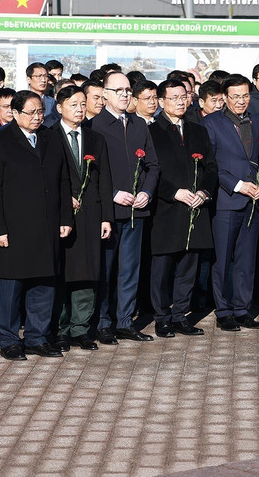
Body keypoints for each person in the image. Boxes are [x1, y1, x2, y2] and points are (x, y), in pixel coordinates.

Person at [0, 91, 72, 360]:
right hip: (14, 226)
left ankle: (37, 337)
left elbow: (64, 180)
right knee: (12, 285)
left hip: (47, 224)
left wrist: (66, 218)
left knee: (44, 283)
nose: (37, 117)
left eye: (40, 112)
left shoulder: (51, 137)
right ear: (16, 113)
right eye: (31, 113)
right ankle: (9, 339)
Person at [91, 71, 159, 344]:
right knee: (106, 270)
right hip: (109, 211)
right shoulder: (94, 126)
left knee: (130, 269)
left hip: (136, 210)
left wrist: (146, 191)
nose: (124, 94)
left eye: (127, 90)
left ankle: (124, 321)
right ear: (104, 94)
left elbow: (153, 165)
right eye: (117, 90)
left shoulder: (139, 125)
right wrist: (114, 194)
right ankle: (103, 322)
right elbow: (91, 172)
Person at [147, 79, 217, 337]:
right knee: (163, 268)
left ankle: (181, 315)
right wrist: (173, 192)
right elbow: (149, 171)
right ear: (162, 101)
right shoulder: (152, 131)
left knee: (189, 267)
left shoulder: (198, 131)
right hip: (167, 210)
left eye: (183, 97)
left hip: (196, 208)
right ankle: (162, 317)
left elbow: (211, 167)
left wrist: (204, 192)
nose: (179, 101)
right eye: (173, 97)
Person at [202, 74, 259, 331]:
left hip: (254, 201)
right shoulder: (210, 123)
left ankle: (242, 309)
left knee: (246, 259)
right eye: (235, 96)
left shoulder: (257, 121)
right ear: (225, 97)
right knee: (222, 260)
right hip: (226, 200)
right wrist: (238, 185)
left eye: (245, 96)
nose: (241, 101)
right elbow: (211, 166)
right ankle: (223, 311)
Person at [52, 85, 112, 351]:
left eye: (82, 104)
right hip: (61, 217)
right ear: (59, 108)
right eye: (73, 104)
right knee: (63, 273)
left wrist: (106, 217)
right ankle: (61, 328)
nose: (79, 109)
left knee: (87, 274)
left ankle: (81, 329)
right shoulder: (48, 136)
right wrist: (63, 200)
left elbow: (104, 180)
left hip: (90, 215)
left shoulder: (95, 138)